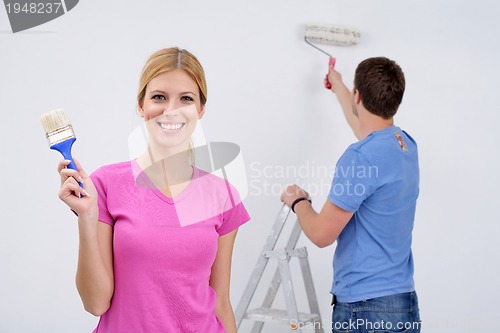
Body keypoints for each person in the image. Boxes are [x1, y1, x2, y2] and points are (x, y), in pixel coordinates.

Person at [57, 47, 251, 333]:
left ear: (200, 110)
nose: (171, 110)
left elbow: (221, 300)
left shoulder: (223, 195)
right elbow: (96, 303)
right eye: (159, 97)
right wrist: (86, 219)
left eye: (186, 98)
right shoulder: (106, 185)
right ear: (141, 106)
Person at [281, 57, 421, 333]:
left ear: (359, 96)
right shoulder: (403, 145)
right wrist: (339, 86)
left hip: (365, 307)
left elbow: (322, 235)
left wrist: (299, 202)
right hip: (402, 303)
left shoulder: (360, 158)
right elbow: (365, 129)